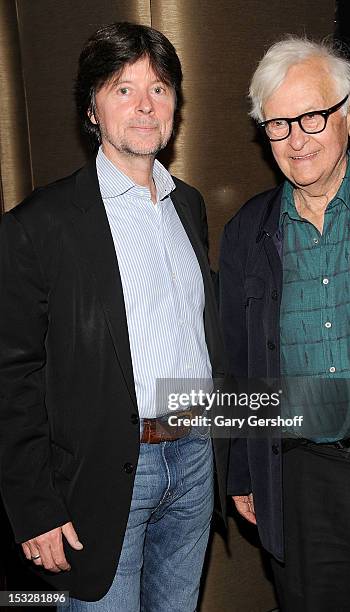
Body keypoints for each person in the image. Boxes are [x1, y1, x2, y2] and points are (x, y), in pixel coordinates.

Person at [0, 21, 225, 611]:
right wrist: (35, 508)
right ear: (93, 109)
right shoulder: (41, 224)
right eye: (124, 89)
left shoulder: (190, 206)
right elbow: (11, 374)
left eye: (160, 88)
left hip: (196, 458)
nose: (145, 105)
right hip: (102, 475)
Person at [219, 35, 350, 612]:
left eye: (312, 118)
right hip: (304, 479)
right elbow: (236, 362)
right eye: (278, 124)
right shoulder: (247, 233)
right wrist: (244, 471)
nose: (296, 139)